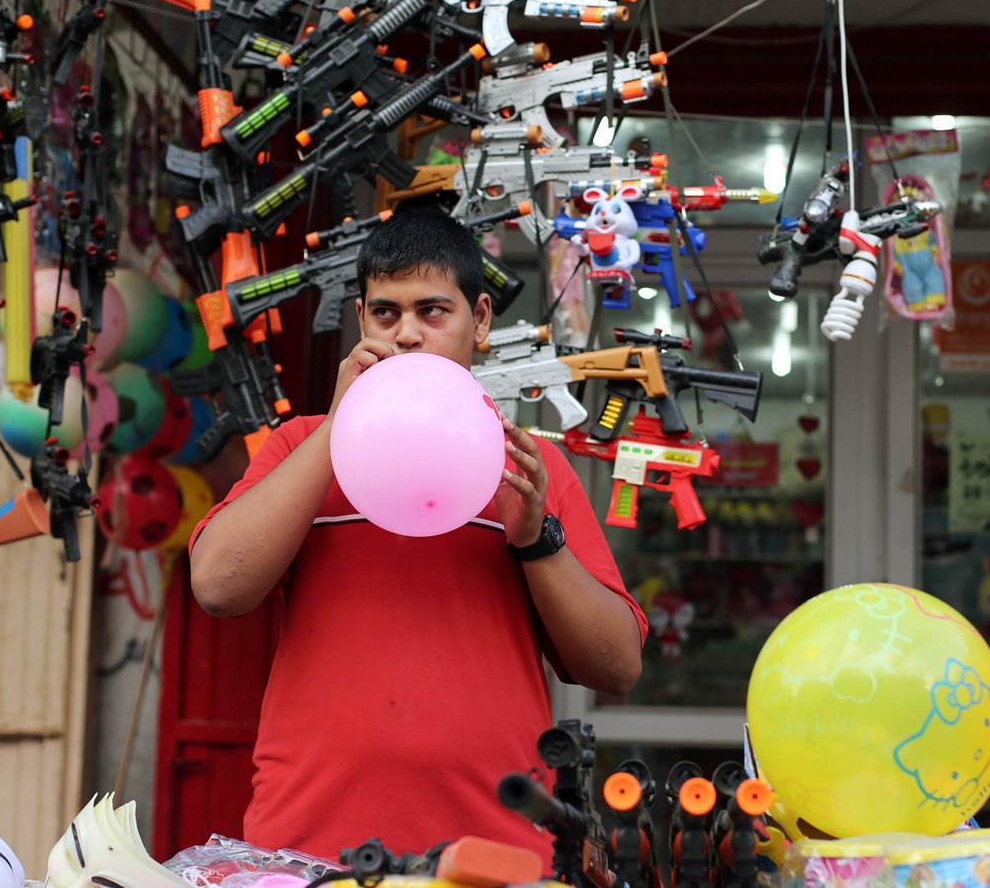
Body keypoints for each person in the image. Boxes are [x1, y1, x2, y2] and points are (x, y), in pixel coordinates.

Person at [188, 212, 648, 862]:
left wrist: (534, 539)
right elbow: (217, 584)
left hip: (493, 851)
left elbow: (616, 665)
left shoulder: (525, 467)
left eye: (433, 311)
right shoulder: (301, 446)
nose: (406, 333)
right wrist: (335, 431)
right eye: (385, 312)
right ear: (359, 319)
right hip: (308, 849)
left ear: (480, 320)